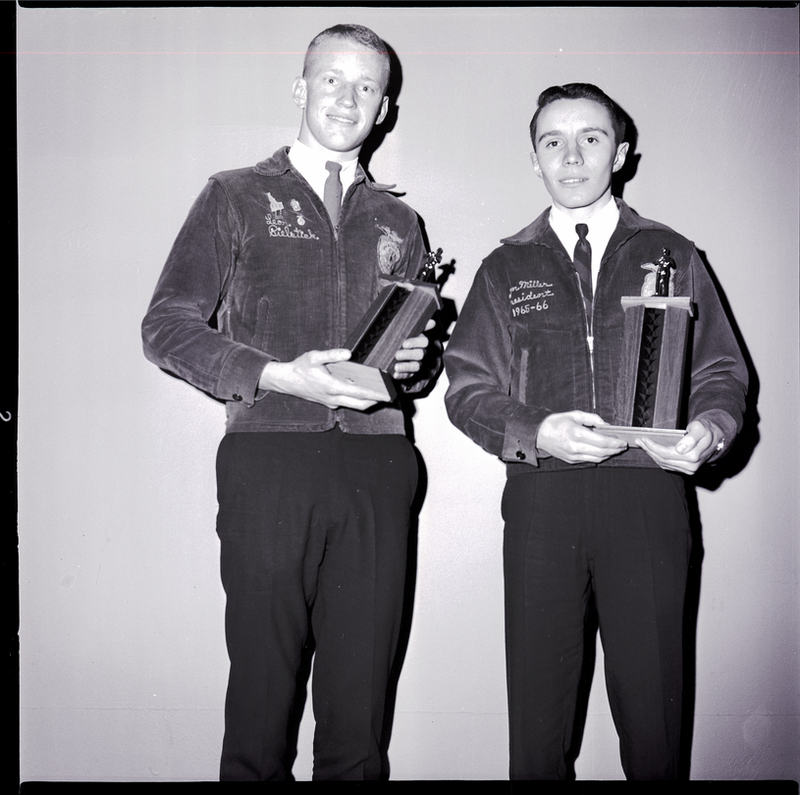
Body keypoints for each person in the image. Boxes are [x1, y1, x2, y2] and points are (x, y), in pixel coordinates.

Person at [142, 24, 438, 781]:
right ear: (301, 87)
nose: (347, 98)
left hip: (378, 465)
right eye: (332, 79)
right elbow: (166, 327)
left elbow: (406, 362)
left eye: (367, 86)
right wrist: (276, 375)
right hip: (269, 459)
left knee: (360, 714)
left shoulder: (400, 222)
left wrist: (415, 366)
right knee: (261, 705)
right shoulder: (235, 195)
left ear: (385, 108)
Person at [444, 83, 748, 780]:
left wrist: (712, 426)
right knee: (538, 727)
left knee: (654, 723)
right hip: (542, 500)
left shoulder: (673, 251)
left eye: (591, 138)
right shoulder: (505, 266)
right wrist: (536, 430)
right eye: (552, 142)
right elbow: (467, 390)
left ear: (621, 152)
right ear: (534, 159)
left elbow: (720, 371)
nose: (572, 156)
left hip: (648, 496)